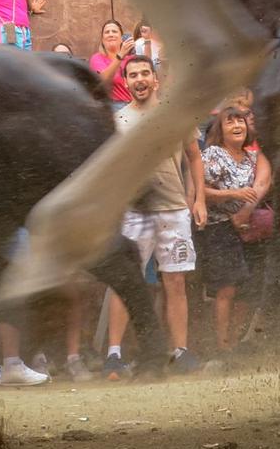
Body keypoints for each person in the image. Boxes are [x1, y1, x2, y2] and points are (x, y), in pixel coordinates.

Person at [100, 55, 201, 377]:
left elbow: (194, 157)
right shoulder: (118, 121)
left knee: (175, 280)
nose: (139, 79)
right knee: (125, 280)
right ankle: (114, 354)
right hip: (134, 212)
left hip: (173, 208)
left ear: (155, 79)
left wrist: (198, 199)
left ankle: (180, 351)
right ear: (126, 82)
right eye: (133, 75)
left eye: (145, 73)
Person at [196, 105, 268, 357]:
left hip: (246, 231)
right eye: (230, 122)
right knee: (226, 287)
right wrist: (233, 194)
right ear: (220, 130)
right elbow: (198, 191)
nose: (237, 126)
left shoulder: (250, 158)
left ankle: (235, 342)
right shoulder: (214, 154)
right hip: (218, 228)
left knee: (247, 288)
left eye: (240, 121)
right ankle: (222, 346)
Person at [89, 19, 135, 107]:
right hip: (111, 106)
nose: (111, 34)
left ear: (121, 38)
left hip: (133, 104)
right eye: (107, 32)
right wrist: (120, 56)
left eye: (114, 31)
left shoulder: (132, 59)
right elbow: (101, 81)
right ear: (102, 39)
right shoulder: (97, 58)